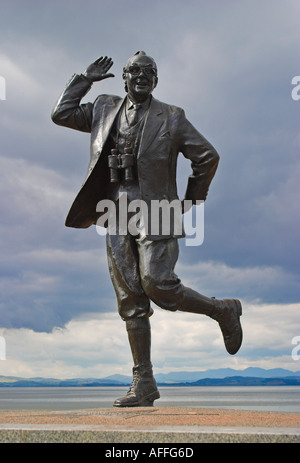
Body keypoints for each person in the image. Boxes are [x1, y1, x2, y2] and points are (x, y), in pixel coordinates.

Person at [51, 52, 243, 407]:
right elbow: (61, 114)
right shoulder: (103, 108)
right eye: (135, 71)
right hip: (114, 209)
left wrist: (190, 199)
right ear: (124, 77)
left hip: (157, 208)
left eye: (149, 72)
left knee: (157, 283)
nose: (142, 76)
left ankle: (222, 310)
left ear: (157, 79)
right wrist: (85, 79)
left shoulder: (172, 116)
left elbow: (207, 156)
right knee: (130, 299)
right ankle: (144, 383)